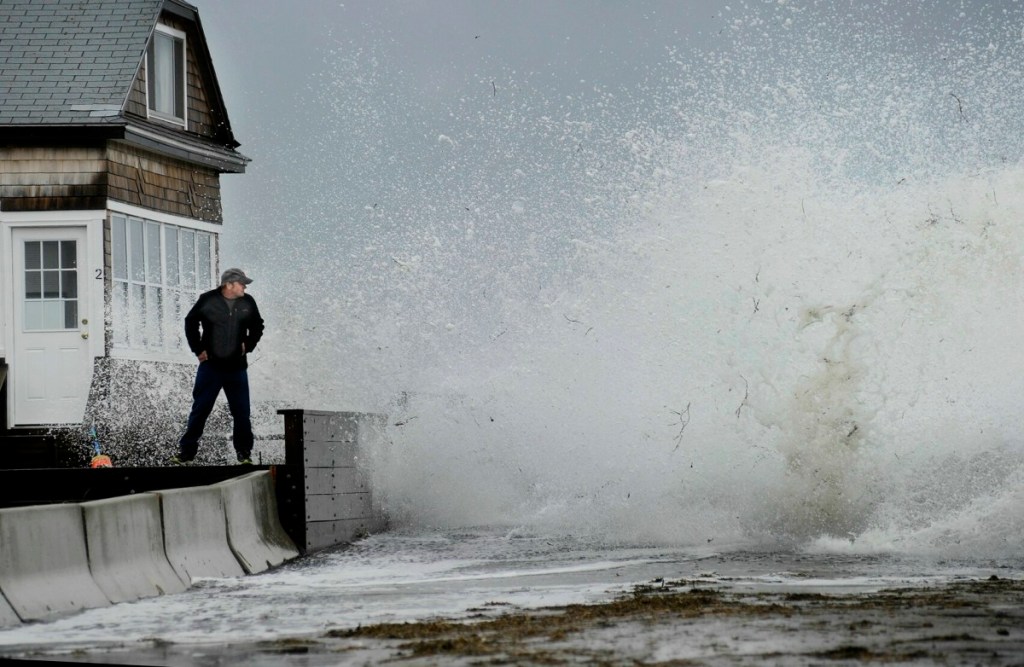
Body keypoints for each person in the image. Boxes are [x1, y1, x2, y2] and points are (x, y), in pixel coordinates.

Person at [172, 268, 265, 465]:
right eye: (242, 283)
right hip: (211, 367)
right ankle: (186, 452)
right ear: (229, 284)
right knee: (200, 409)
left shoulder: (248, 302)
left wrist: (248, 345)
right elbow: (190, 322)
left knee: (241, 413)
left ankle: (244, 453)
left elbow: (258, 326)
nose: (245, 287)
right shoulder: (208, 300)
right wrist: (197, 349)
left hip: (237, 368)